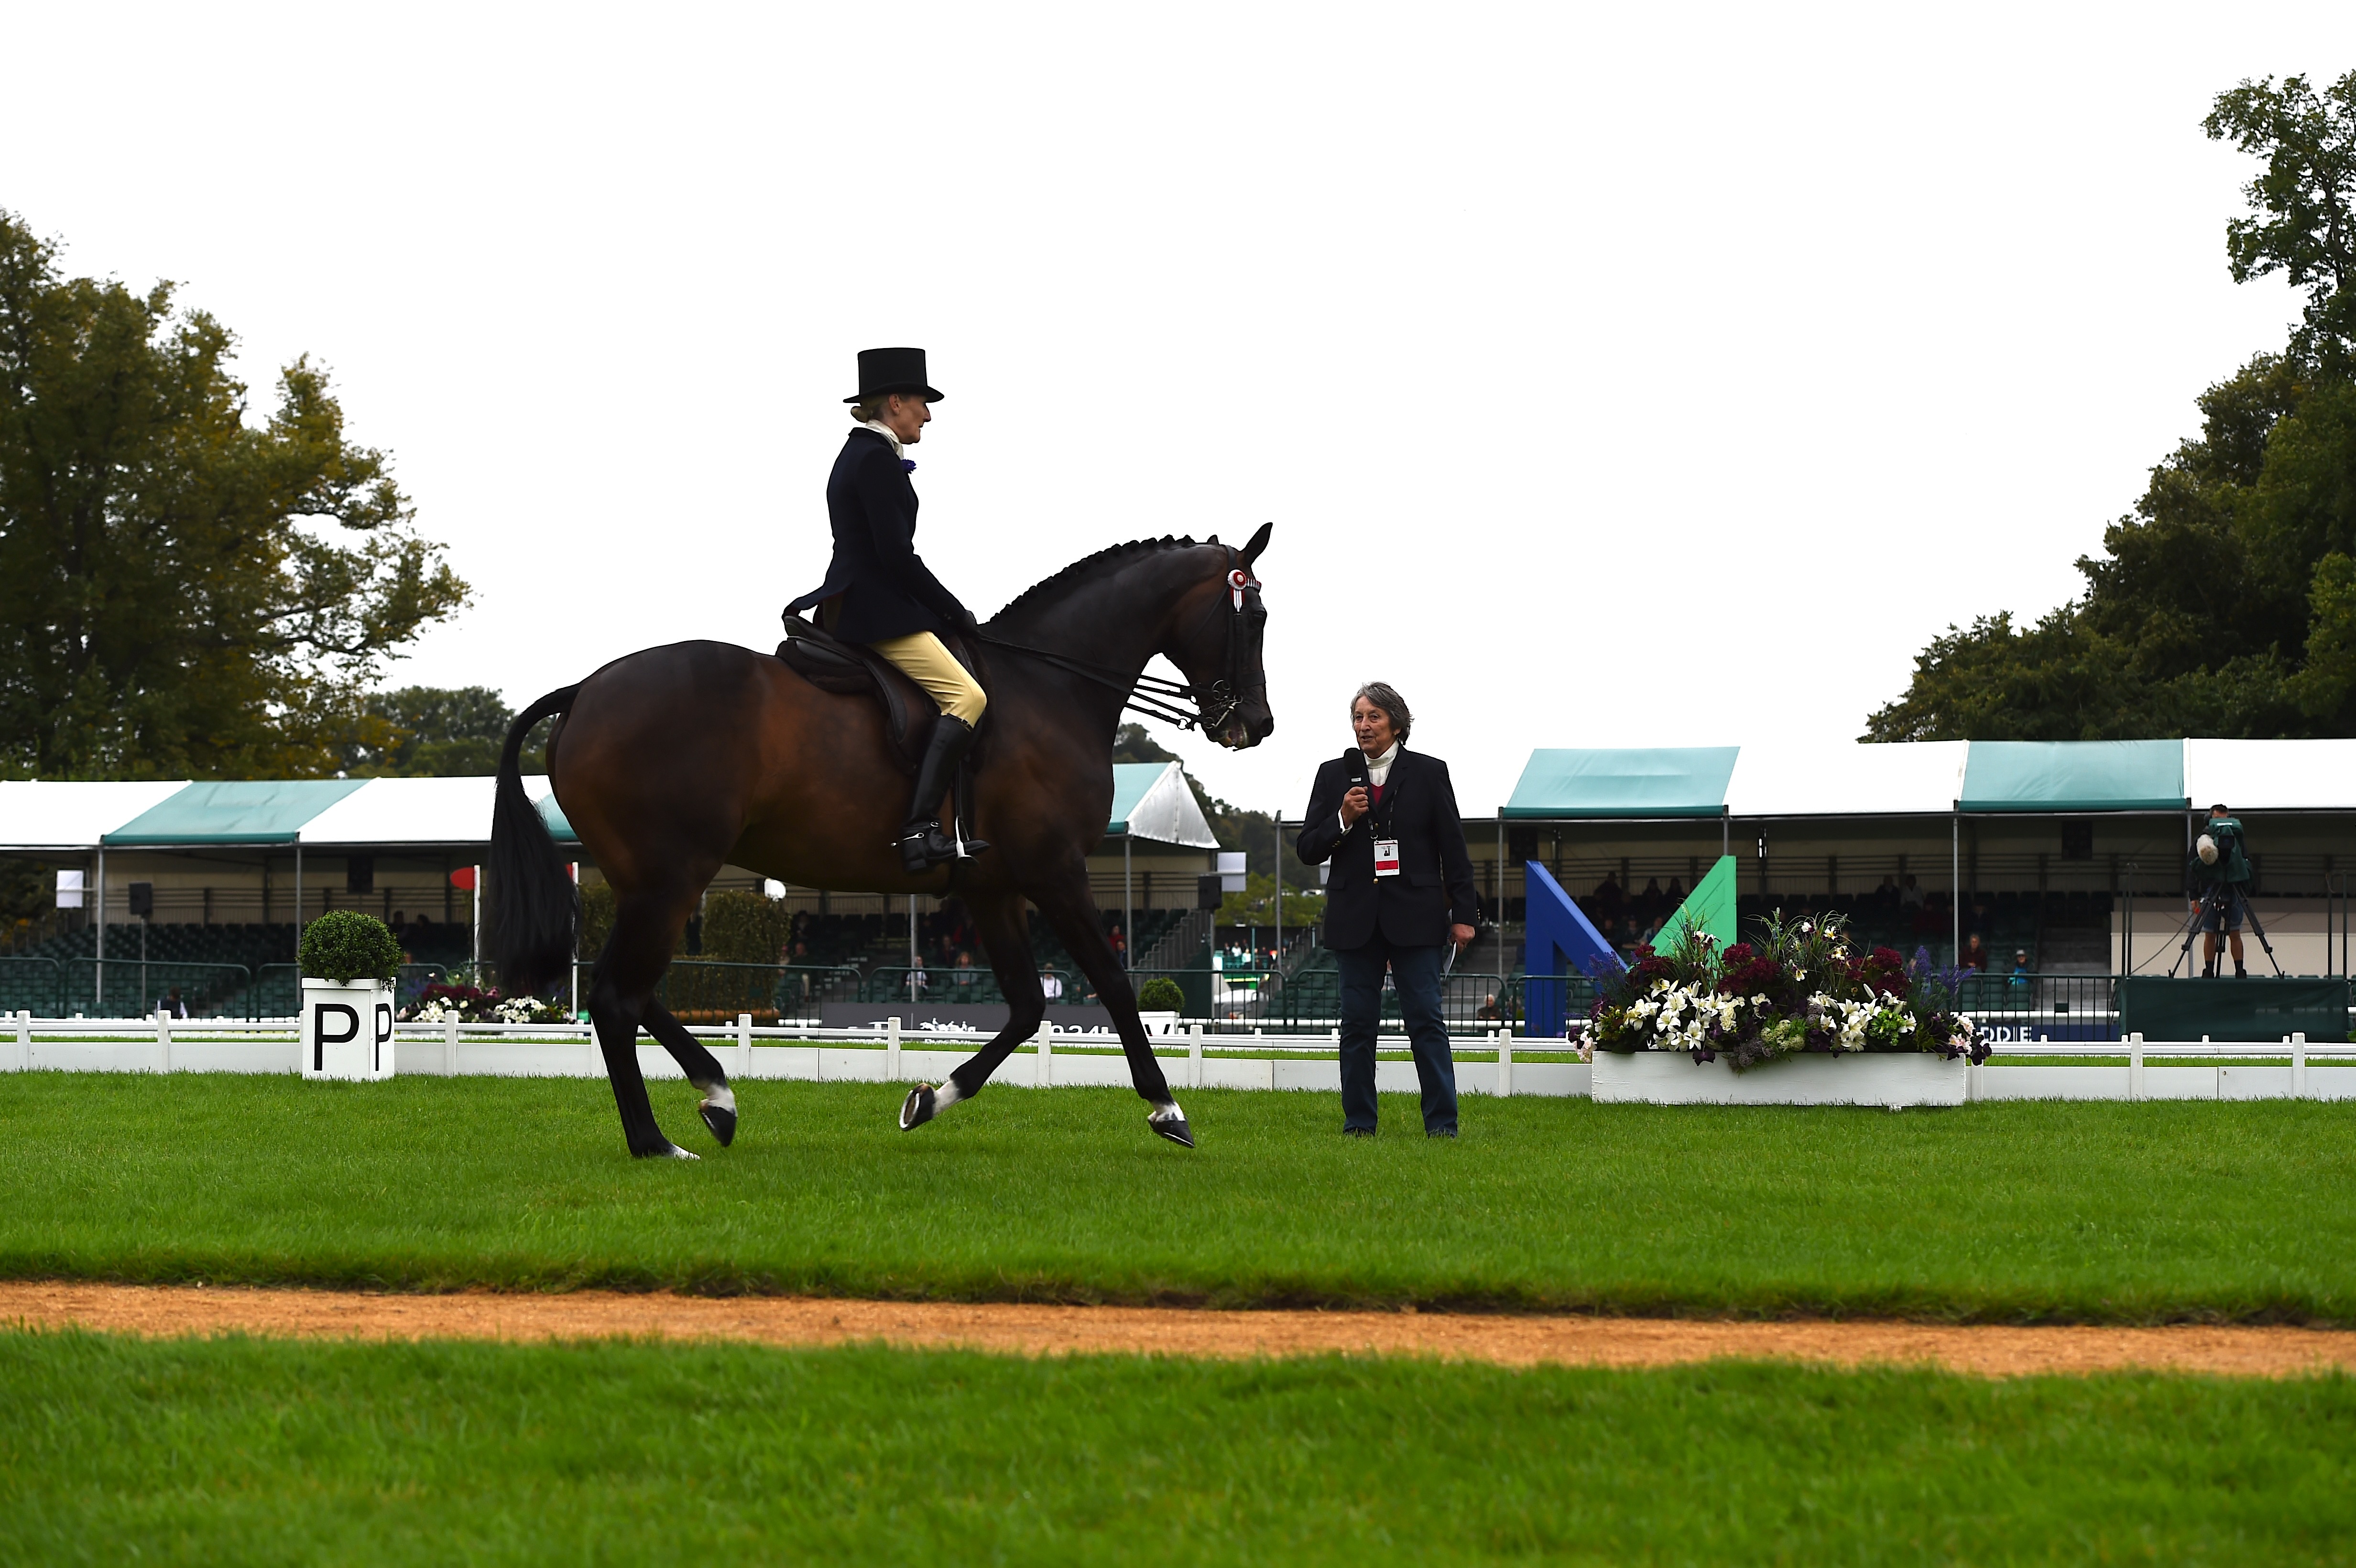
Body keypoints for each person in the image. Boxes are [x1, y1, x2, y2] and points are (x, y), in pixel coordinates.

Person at [786, 347, 991, 875]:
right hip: (875, 608)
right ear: (895, 402)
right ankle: (919, 829)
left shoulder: (862, 453)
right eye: (922, 402)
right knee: (967, 696)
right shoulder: (875, 459)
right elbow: (897, 556)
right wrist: (953, 611)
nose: (929, 415)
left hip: (863, 599)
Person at [1296, 682, 1479, 1138]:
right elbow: (1307, 849)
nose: (1364, 726)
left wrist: (1464, 914)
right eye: (1358, 717)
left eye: (1373, 717)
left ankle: (1443, 1125)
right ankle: (1359, 1123)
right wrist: (1342, 819)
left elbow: (1454, 849)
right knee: (1357, 1026)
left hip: (1416, 917)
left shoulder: (1430, 772)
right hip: (1354, 919)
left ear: (1397, 724)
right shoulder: (1333, 775)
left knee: (1426, 1022)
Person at [2190, 802, 2254, 977]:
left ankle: (2239, 970)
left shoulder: (2237, 841)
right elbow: (2192, 867)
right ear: (2209, 820)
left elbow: (2245, 863)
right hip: (2211, 889)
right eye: (2217, 821)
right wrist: (2193, 894)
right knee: (2210, 933)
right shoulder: (2203, 841)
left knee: (2235, 932)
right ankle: (2208, 970)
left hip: (2233, 889)